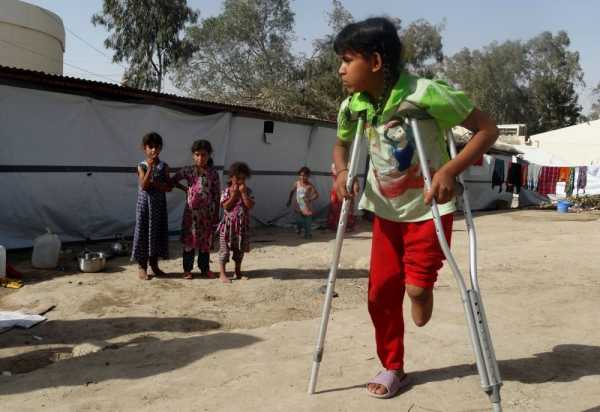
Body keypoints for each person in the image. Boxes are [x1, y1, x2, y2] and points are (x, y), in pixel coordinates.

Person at [332, 18, 499, 398]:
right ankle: (392, 365)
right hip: (385, 212)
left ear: (376, 62)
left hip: (428, 211)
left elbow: (487, 129)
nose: (341, 69)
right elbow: (341, 144)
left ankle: (421, 292)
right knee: (379, 293)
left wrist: (449, 170)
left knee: (416, 290)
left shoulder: (426, 93)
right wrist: (341, 172)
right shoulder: (354, 106)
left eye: (347, 60)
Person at [171, 139, 220, 280]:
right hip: (191, 214)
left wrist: (216, 214)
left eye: (204, 155)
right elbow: (173, 180)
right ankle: (187, 270)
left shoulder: (213, 173)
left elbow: (216, 195)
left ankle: (204, 269)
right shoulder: (188, 170)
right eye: (197, 154)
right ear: (193, 155)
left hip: (207, 215)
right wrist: (185, 189)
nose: (200, 158)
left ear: (209, 155)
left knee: (205, 243)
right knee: (189, 241)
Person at [131, 132, 173, 280]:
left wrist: (154, 184)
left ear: (160, 148)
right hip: (144, 206)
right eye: (151, 147)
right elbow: (143, 185)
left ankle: (154, 265)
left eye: (157, 147)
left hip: (158, 206)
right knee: (143, 233)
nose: (154, 150)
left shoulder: (164, 166)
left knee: (156, 233)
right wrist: (150, 167)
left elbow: (169, 187)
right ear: (145, 148)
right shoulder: (142, 166)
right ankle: (142, 266)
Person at [217, 162, 255, 283]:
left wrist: (243, 193)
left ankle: (238, 271)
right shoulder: (226, 191)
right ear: (231, 177)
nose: (240, 181)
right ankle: (222, 274)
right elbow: (225, 206)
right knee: (224, 250)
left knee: (239, 251)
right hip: (227, 227)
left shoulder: (248, 191)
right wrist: (234, 195)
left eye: (243, 179)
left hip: (241, 227)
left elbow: (249, 205)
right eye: (237, 178)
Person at [287, 166, 319, 239]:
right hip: (298, 205)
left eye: (304, 175)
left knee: (308, 222)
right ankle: (299, 228)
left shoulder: (310, 185)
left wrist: (310, 199)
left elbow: (317, 195)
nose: (302, 177)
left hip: (307, 206)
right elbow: (292, 192)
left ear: (308, 176)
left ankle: (308, 233)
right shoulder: (297, 183)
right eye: (301, 175)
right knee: (299, 221)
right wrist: (289, 200)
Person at [327, 162, 360, 231]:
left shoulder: (350, 164)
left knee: (347, 208)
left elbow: (354, 177)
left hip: (346, 189)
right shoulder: (335, 164)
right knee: (336, 208)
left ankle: (346, 225)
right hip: (337, 190)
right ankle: (336, 225)